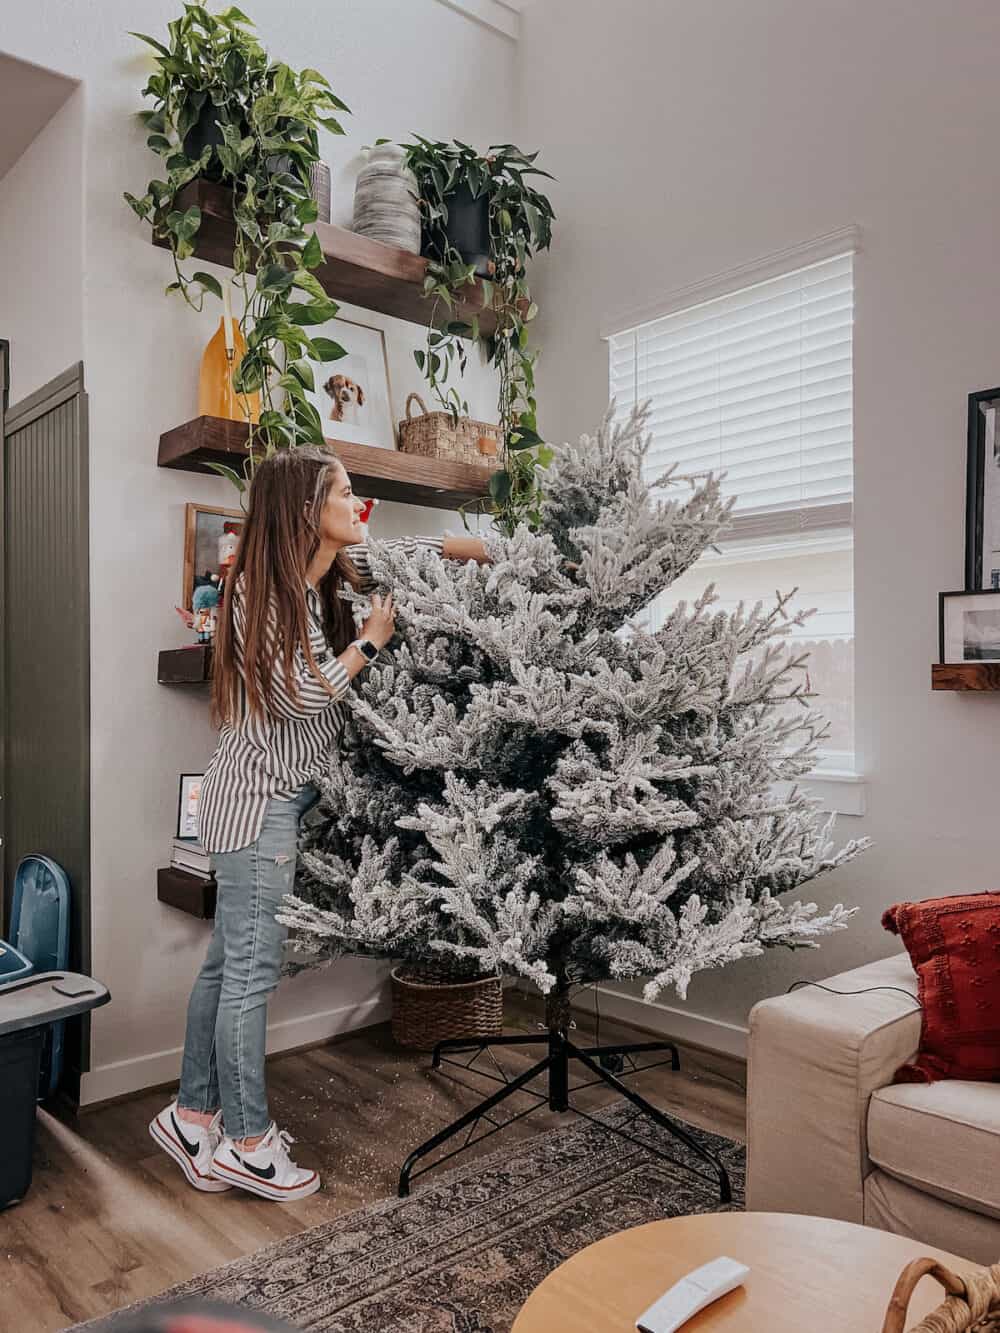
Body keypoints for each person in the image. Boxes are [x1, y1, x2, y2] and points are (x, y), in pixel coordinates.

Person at [150, 446, 491, 1201]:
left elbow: (418, 549)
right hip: (254, 805)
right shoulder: (259, 597)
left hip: (272, 799)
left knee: (224, 967)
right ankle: (245, 1140)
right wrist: (370, 640)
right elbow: (297, 696)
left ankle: (191, 1112)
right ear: (308, 509)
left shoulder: (324, 577)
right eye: (343, 490)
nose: (356, 500)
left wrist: (509, 552)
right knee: (249, 975)